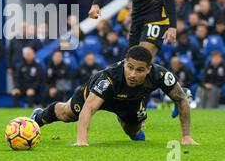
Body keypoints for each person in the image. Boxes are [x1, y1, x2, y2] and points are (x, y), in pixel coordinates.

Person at [31, 45, 198, 146]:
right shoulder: (110, 77)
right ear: (125, 63)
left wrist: (186, 136)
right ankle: (38, 118)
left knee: (132, 131)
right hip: (95, 95)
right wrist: (82, 140)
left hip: (130, 102)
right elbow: (89, 107)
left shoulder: (160, 75)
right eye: (130, 67)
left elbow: (181, 98)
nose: (133, 74)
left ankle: (128, 123)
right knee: (68, 114)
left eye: (139, 70)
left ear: (149, 69)